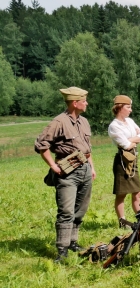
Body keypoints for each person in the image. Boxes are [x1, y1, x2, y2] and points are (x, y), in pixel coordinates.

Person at [34, 87, 97, 262]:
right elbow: (41, 145)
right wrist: (53, 166)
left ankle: (73, 242)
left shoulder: (84, 121)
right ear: (75, 103)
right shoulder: (59, 122)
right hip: (67, 172)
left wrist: (91, 168)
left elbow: (87, 149)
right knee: (66, 211)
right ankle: (62, 249)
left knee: (80, 210)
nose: (87, 103)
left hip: (84, 169)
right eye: (84, 100)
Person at [108, 95, 140, 224]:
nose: (130, 110)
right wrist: (134, 140)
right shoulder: (114, 126)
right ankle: (122, 220)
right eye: (128, 107)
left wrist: (131, 139)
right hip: (122, 161)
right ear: (119, 108)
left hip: (133, 159)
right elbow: (126, 145)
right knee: (121, 193)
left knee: (137, 192)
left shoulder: (130, 121)